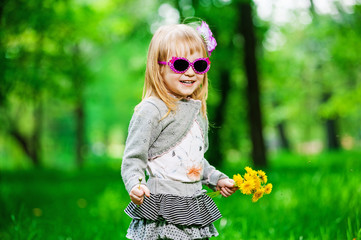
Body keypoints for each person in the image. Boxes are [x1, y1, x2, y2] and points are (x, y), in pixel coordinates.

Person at [121, 21, 237, 240]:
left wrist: (216, 178)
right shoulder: (151, 110)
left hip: (193, 202)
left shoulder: (197, 111)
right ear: (159, 67)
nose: (191, 73)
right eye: (181, 64)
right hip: (163, 204)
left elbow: (194, 161)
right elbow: (133, 158)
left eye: (199, 65)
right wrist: (135, 184)